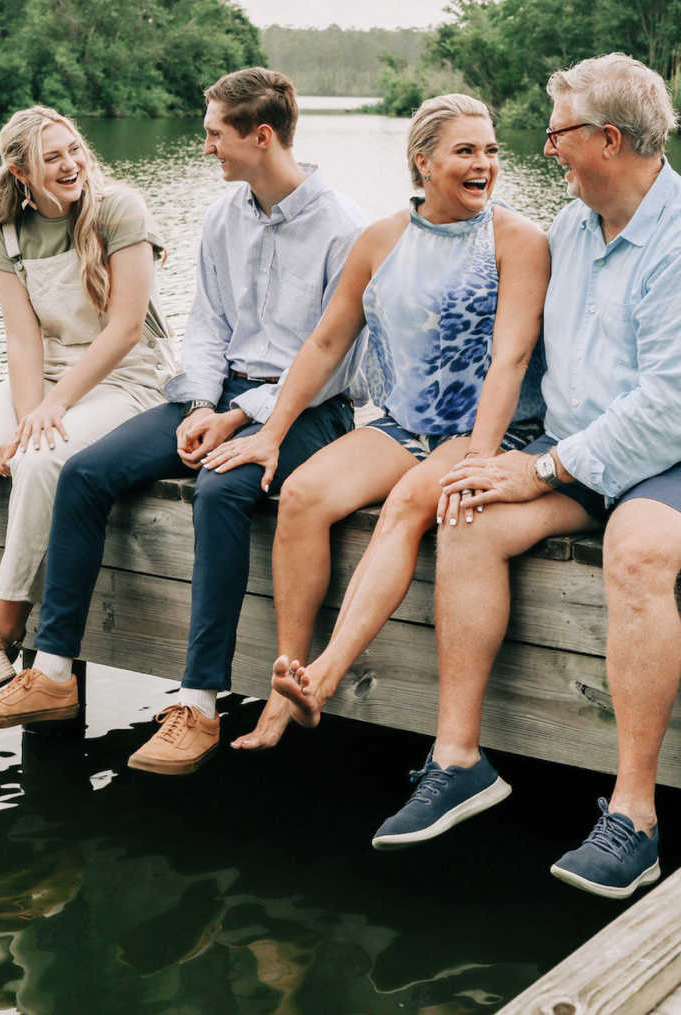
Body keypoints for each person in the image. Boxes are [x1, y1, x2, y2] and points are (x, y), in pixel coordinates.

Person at [373, 54, 681, 895]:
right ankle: (457, 760)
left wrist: (546, 468)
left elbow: (674, 412)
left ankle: (634, 816)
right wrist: (491, 454)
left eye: (559, 132)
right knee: (467, 509)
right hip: (591, 445)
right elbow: (531, 356)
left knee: (635, 545)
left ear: (608, 138)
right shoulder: (570, 228)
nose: (547, 147)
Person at [0, 68, 367, 776]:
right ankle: (51, 670)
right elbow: (205, 327)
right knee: (82, 472)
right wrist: (203, 404)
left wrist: (240, 414)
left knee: (221, 492)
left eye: (213, 133)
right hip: (217, 394)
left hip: (303, 410)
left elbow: (338, 363)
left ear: (260, 137)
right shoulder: (223, 216)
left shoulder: (344, 228)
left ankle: (200, 703)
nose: (204, 147)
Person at [200, 93, 548, 757]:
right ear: (423, 162)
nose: (485, 164)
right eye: (466, 151)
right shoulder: (382, 240)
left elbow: (513, 355)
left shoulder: (517, 239)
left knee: (411, 499)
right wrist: (269, 433)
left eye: (492, 150)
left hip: (492, 429)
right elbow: (327, 344)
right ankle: (287, 678)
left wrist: (478, 456)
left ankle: (325, 676)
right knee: (301, 494)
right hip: (405, 424)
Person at [0, 106, 176, 722]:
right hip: (50, 370)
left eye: (74, 149)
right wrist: (29, 411)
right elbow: (24, 343)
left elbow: (128, 328)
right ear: (19, 170)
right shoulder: (6, 233)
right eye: (52, 156)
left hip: (128, 376)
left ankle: (3, 627)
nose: (71, 164)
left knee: (41, 457)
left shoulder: (119, 210)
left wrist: (47, 417)